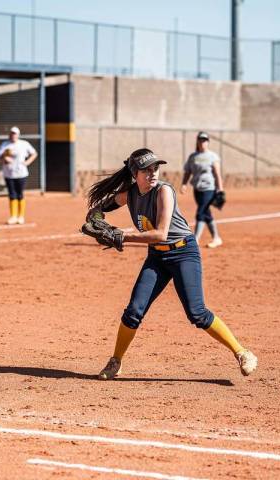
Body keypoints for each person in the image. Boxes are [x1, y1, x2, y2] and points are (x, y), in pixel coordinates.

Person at [84, 148, 257, 380]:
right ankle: (116, 361)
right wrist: (95, 214)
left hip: (183, 252)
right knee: (133, 311)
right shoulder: (130, 194)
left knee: (197, 313)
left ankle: (242, 352)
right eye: (146, 169)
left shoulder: (164, 191)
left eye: (155, 168)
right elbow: (105, 205)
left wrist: (122, 236)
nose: (153, 173)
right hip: (157, 258)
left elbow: (161, 234)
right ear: (135, 173)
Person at [181, 131, 225, 248]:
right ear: (198, 141)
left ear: (208, 142)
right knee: (206, 213)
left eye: (205, 140)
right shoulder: (193, 157)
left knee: (200, 212)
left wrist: (220, 190)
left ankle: (195, 239)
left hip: (209, 188)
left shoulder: (212, 156)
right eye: (201, 139)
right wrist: (184, 184)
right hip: (197, 189)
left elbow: (217, 174)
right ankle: (216, 238)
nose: (203, 142)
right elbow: (188, 171)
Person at [0, 126, 37, 225]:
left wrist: (27, 162)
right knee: (12, 194)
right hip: (9, 173)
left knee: (20, 194)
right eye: (11, 133)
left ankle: (21, 216)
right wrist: (5, 157)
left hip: (21, 173)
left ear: (18, 135)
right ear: (9, 134)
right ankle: (13, 216)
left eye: (15, 133)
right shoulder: (5, 144)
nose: (13, 135)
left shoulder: (24, 144)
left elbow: (34, 153)